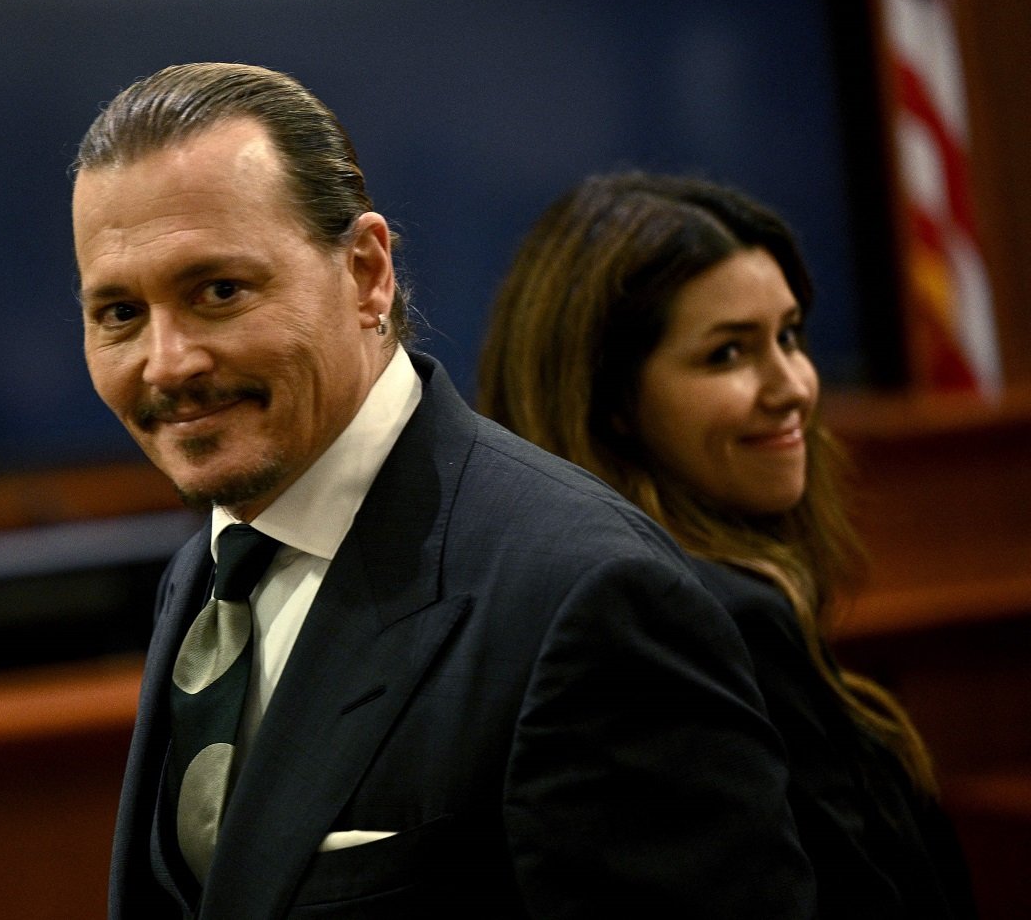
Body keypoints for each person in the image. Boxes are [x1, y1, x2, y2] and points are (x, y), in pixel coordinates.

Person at [72, 64, 818, 917]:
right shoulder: (208, 571)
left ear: (366, 274)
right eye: (119, 314)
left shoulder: (588, 596)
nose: (168, 363)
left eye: (220, 291)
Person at [477, 171, 978, 918]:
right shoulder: (700, 616)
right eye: (728, 355)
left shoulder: (559, 583)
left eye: (789, 336)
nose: (794, 387)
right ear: (611, 403)